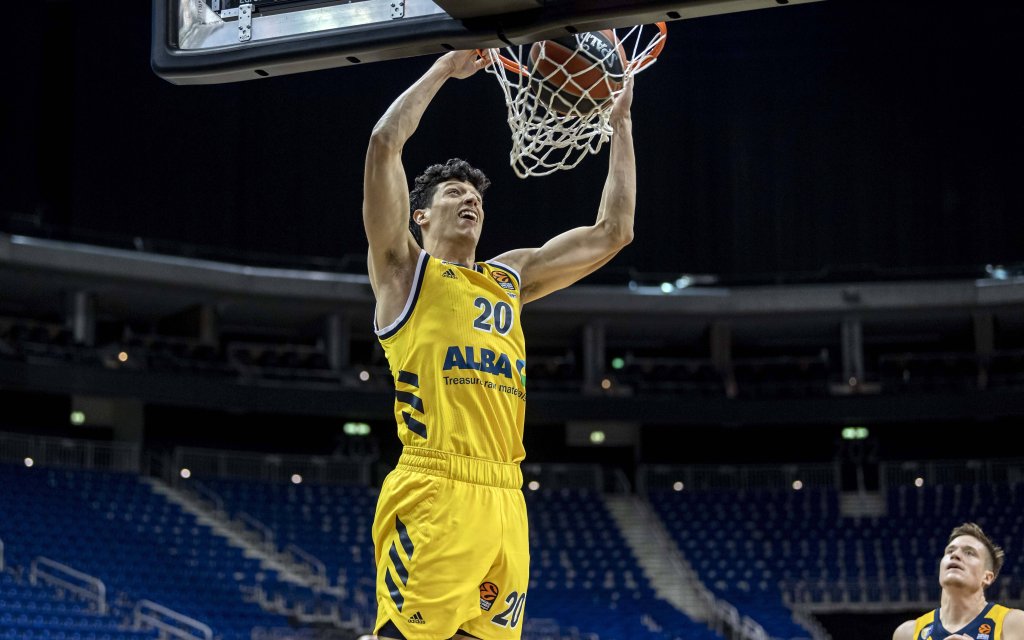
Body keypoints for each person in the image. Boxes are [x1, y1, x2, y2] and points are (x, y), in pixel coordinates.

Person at [361, 49, 635, 640]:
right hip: (436, 487)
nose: (471, 200)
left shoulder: (508, 278)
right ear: (419, 217)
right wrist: (441, 72)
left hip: (506, 493)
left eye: (476, 196)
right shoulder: (401, 272)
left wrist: (622, 127)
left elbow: (615, 232)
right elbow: (384, 142)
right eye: (455, 192)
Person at [893, 522, 1024, 640]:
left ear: (987, 577)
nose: (955, 555)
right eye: (950, 551)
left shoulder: (1014, 623)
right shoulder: (907, 633)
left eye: (969, 553)